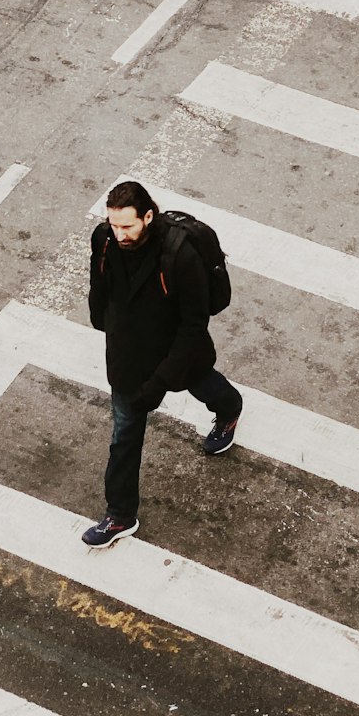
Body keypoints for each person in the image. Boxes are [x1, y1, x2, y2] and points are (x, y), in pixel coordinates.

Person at [82, 180, 243, 548]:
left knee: (202, 383)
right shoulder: (104, 238)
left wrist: (158, 383)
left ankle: (230, 408)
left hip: (176, 348)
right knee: (124, 435)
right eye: (113, 224)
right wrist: (100, 316)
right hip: (128, 351)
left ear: (148, 217)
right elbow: (98, 278)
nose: (119, 233)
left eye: (127, 226)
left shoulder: (179, 255)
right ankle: (120, 515)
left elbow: (193, 324)